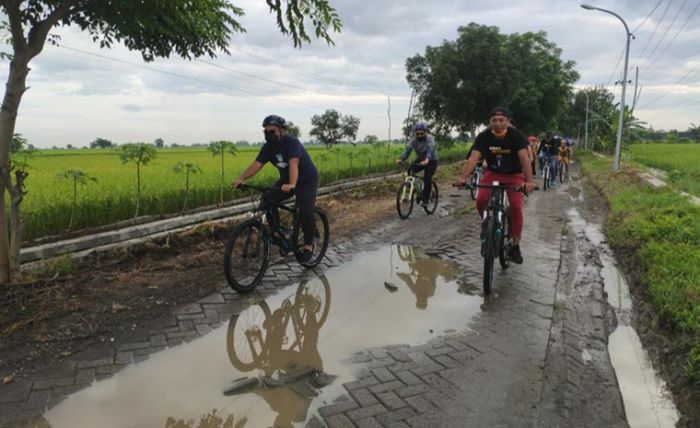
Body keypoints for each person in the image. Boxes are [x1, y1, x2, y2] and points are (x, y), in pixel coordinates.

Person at [232, 114, 319, 263]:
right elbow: (256, 164)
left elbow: (293, 164)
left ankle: (309, 245)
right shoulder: (268, 147)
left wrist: (292, 184)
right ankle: (278, 233)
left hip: (306, 180)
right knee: (267, 199)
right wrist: (241, 179)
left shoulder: (292, 143)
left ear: (281, 131)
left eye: (272, 131)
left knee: (305, 211)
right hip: (287, 179)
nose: (268, 135)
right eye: (266, 132)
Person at [455, 107, 535, 264]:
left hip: (514, 175)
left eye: (501, 120)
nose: (497, 123)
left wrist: (529, 180)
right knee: (480, 200)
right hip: (492, 174)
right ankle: (487, 224)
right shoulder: (484, 137)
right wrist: (463, 177)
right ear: (489, 122)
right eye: (494, 121)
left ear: (507, 121)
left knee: (516, 207)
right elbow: (473, 158)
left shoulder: (516, 135)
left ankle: (515, 246)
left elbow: (525, 159)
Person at [395, 122, 439, 206]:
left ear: (425, 132)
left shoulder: (430, 138)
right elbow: (408, 150)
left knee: (427, 178)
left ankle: (426, 198)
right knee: (410, 170)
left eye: (421, 133)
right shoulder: (414, 139)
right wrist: (401, 159)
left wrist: (427, 159)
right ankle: (415, 188)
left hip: (432, 160)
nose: (419, 135)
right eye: (417, 133)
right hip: (421, 158)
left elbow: (430, 149)